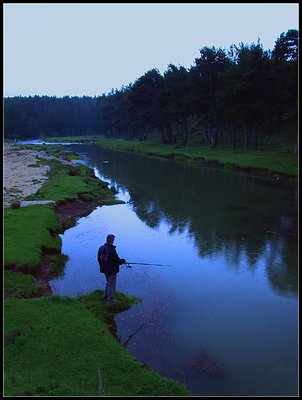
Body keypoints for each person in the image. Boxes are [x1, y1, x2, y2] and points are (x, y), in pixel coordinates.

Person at [97, 234, 125, 303]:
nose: (113, 241)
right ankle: (110, 300)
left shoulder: (101, 248)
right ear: (112, 240)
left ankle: (105, 296)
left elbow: (98, 259)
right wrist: (122, 261)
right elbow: (116, 261)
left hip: (104, 269)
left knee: (108, 282)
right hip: (111, 270)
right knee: (111, 284)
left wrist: (102, 266)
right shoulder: (112, 249)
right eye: (113, 239)